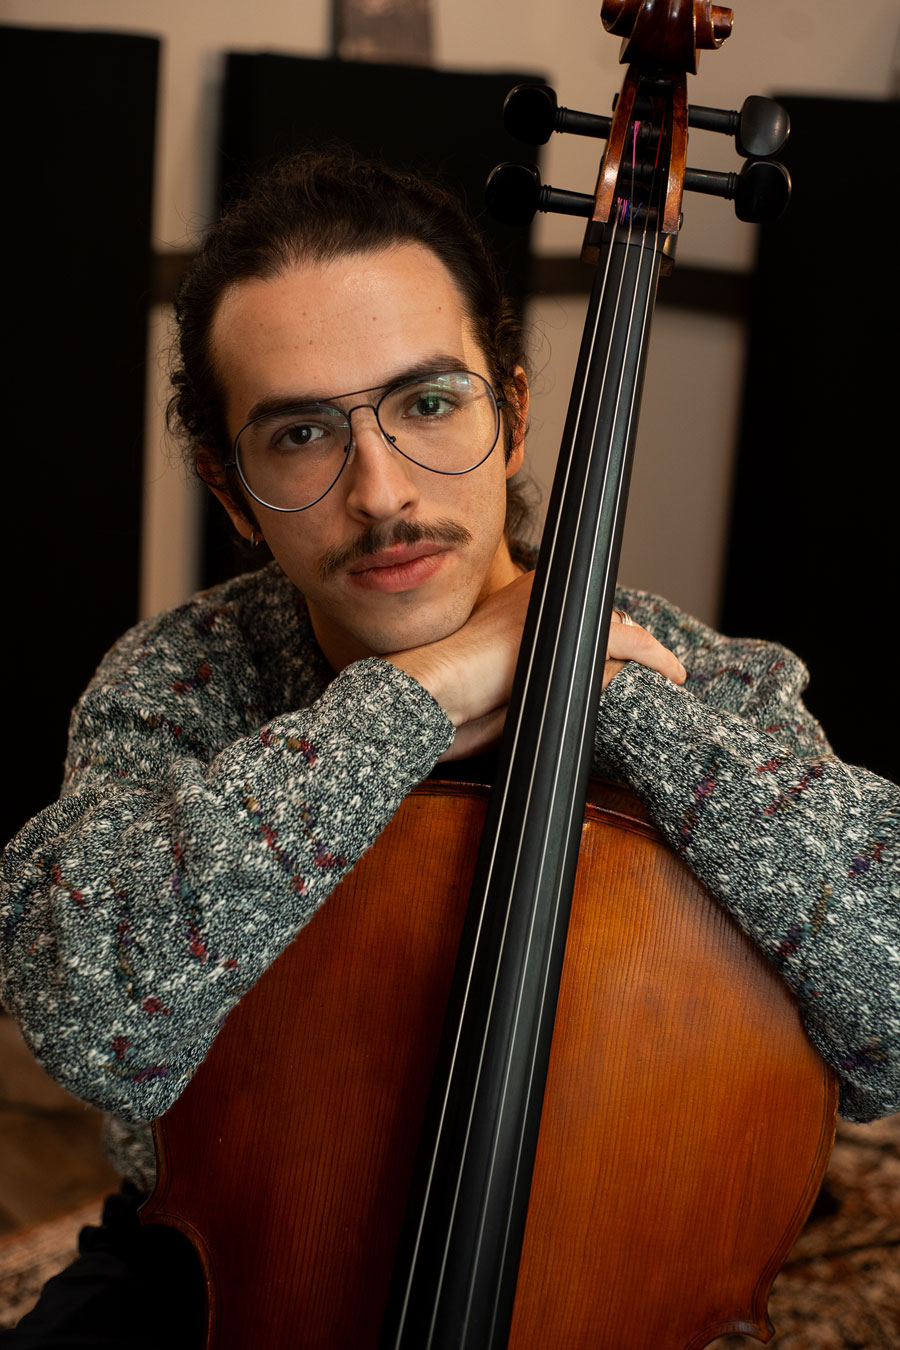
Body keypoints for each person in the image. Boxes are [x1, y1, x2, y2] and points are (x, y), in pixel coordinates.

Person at [0, 150, 897, 1347]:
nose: (381, 493)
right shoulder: (192, 674)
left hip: (620, 1278)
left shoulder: (704, 683)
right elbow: (88, 1013)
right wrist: (424, 693)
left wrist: (596, 687)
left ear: (513, 415)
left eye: (428, 404)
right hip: (230, 1257)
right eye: (304, 434)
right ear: (229, 490)